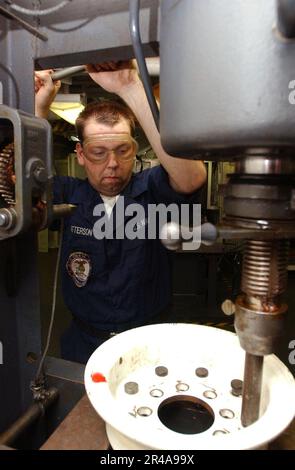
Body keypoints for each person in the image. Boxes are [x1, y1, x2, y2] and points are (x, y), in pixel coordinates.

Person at [35, 62, 207, 364]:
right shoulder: (67, 194)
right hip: (83, 344)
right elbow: (23, 185)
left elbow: (192, 177)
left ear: (134, 149)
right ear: (81, 155)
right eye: (99, 153)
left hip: (148, 342)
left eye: (123, 150)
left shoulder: (152, 189)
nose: (112, 163)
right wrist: (38, 109)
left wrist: (130, 86)